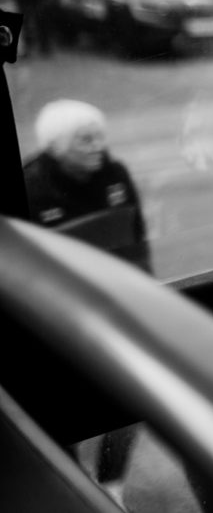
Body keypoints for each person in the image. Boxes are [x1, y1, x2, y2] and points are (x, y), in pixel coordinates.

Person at [22, 99, 152, 500]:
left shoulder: (115, 173)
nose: (99, 146)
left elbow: (137, 239)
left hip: (115, 304)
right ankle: (71, 483)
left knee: (128, 399)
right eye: (85, 139)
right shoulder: (29, 188)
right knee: (63, 408)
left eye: (100, 136)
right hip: (56, 315)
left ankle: (112, 487)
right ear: (56, 146)